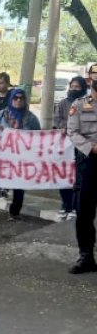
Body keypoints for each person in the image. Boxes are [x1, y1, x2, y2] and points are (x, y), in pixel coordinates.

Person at [0, 88, 40, 223]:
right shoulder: (3, 114)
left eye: (21, 98)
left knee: (18, 185)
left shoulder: (30, 117)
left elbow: (38, 136)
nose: (18, 101)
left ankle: (14, 213)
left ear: (25, 100)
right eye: (15, 98)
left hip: (20, 158)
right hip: (2, 156)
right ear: (11, 99)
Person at [66, 77, 97, 274]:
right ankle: (86, 256)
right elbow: (73, 131)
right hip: (88, 162)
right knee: (84, 210)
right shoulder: (79, 105)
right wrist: (92, 147)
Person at [55, 76, 88, 221]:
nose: (74, 89)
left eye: (77, 87)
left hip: (80, 146)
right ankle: (65, 205)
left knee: (78, 178)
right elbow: (57, 119)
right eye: (72, 86)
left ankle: (75, 207)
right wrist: (66, 127)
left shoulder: (88, 104)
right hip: (64, 146)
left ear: (83, 88)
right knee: (63, 175)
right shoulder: (62, 103)